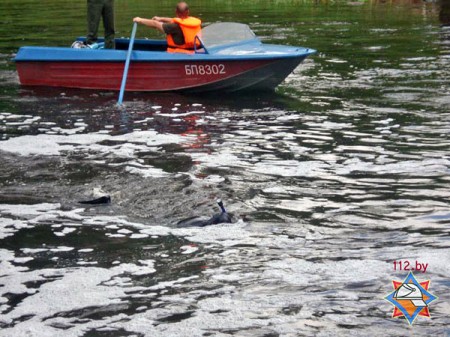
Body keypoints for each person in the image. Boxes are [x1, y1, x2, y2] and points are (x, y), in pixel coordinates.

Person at [133, 2, 201, 53]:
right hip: (194, 51)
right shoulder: (193, 22)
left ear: (176, 12)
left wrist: (140, 20)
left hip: (179, 53)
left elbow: (155, 24)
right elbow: (175, 20)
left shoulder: (174, 27)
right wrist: (161, 18)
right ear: (188, 12)